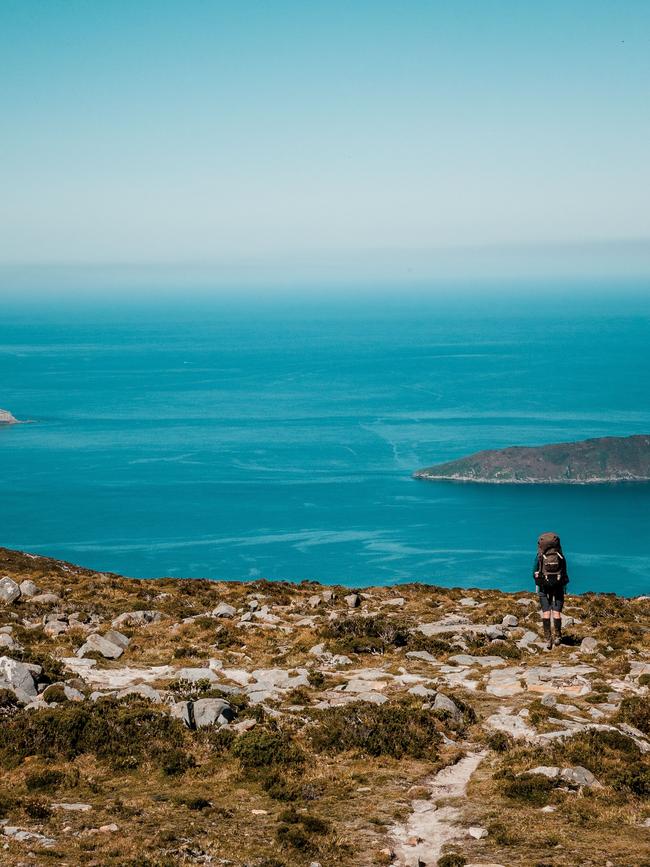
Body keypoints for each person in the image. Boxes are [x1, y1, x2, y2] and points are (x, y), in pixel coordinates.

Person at [534, 532, 569, 649]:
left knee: (546, 612)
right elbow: (564, 571)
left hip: (544, 585)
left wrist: (538, 581)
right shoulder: (560, 556)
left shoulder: (539, 556)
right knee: (556, 612)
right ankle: (558, 637)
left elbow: (533, 571)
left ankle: (548, 639)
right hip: (558, 585)